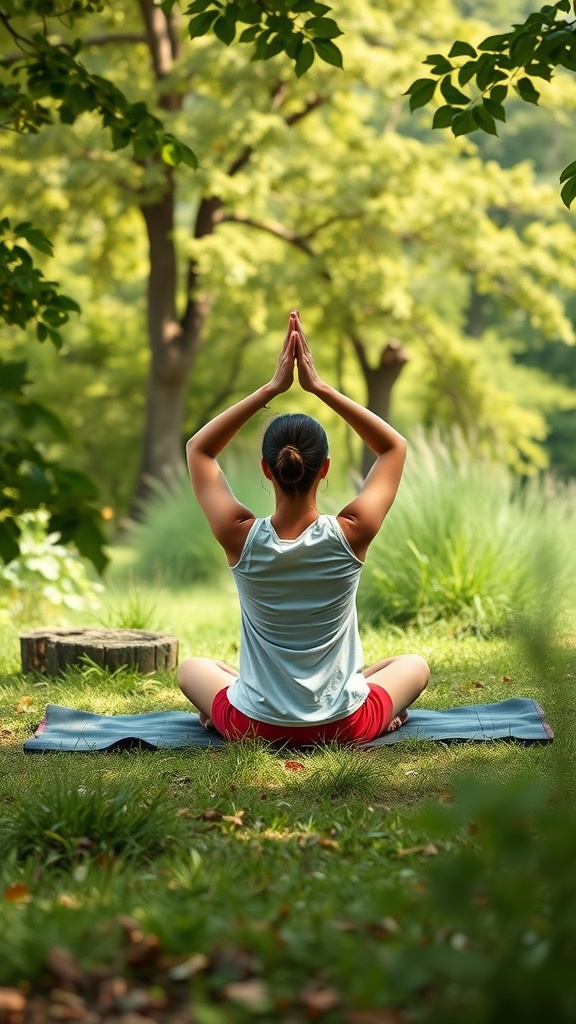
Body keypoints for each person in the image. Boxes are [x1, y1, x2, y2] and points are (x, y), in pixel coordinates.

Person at [178, 311, 429, 744]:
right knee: (413, 665)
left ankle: (224, 713)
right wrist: (320, 387)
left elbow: (199, 449)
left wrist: (272, 388)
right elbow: (393, 446)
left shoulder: (239, 535)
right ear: (325, 468)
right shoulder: (352, 531)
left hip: (253, 727)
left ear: (266, 469)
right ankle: (365, 702)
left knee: (193, 668)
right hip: (345, 726)